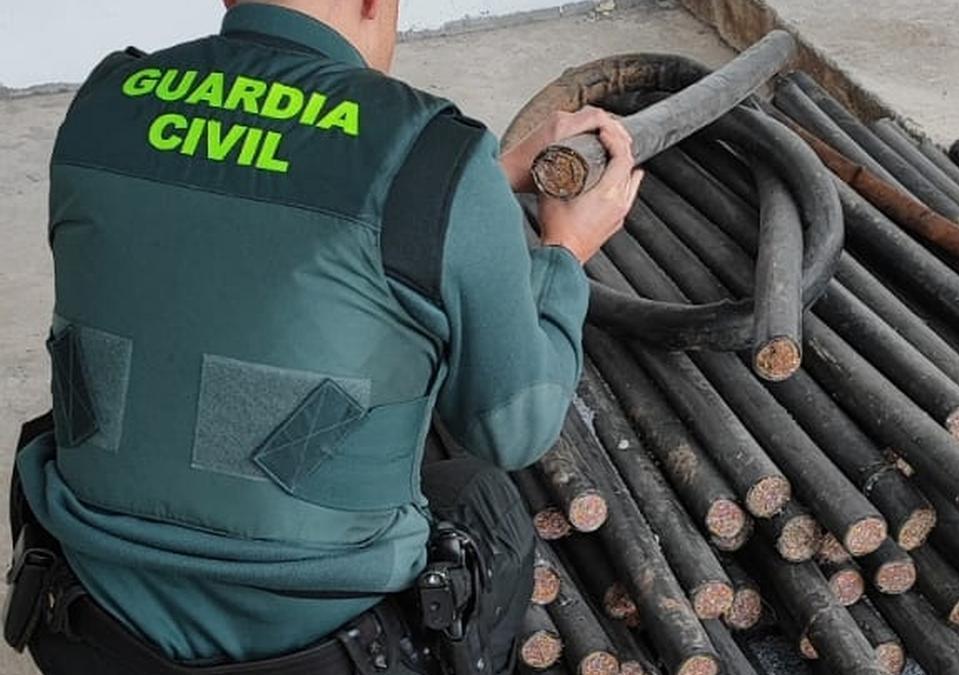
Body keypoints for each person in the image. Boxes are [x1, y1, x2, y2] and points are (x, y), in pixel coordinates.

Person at [5, 0, 642, 673]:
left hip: (89, 620)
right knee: (485, 500)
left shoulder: (102, 105)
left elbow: (237, 220)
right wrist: (564, 251)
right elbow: (517, 426)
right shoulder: (432, 150)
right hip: (321, 645)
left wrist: (476, 185)